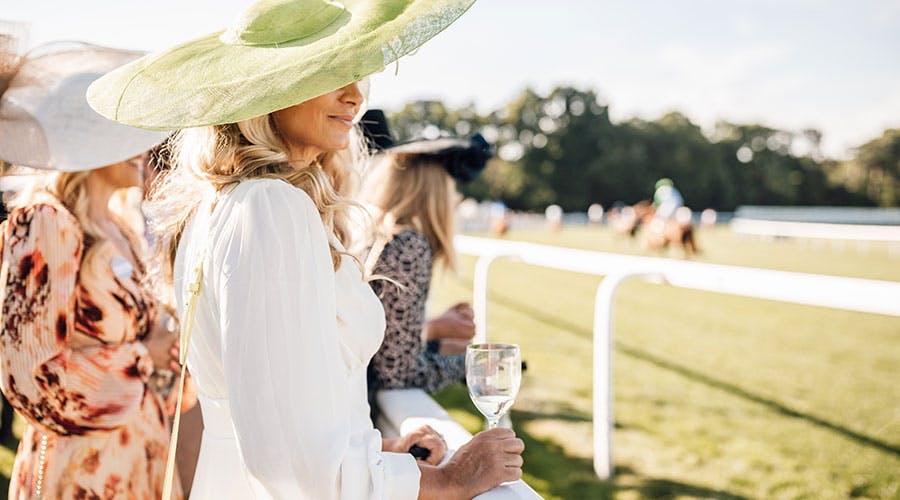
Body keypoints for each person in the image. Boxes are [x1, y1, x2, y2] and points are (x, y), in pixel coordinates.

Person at [88, 1, 524, 498]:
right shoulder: (270, 207)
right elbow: (293, 463)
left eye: (357, 73)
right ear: (265, 91)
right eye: (327, 73)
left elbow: (284, 406)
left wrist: (380, 454)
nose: (355, 94)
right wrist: (449, 480)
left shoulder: (228, 204)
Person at [0, 42, 183, 498]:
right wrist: (144, 356)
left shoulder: (121, 224)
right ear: (84, 136)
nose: (142, 142)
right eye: (123, 127)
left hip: (141, 457)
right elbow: (29, 379)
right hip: (83, 473)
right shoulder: (47, 220)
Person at [358, 110, 489, 407]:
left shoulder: (377, 233)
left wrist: (441, 342)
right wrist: (475, 366)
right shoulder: (409, 245)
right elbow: (397, 371)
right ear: (436, 192)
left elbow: (386, 343)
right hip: (361, 415)